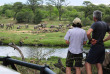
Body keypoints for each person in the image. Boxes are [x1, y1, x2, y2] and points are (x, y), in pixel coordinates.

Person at [85, 10, 110, 74]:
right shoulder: (105, 24)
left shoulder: (95, 24)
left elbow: (88, 33)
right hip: (102, 47)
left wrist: (90, 40)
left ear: (94, 17)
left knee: (87, 63)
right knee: (99, 64)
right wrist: (103, 40)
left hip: (95, 47)